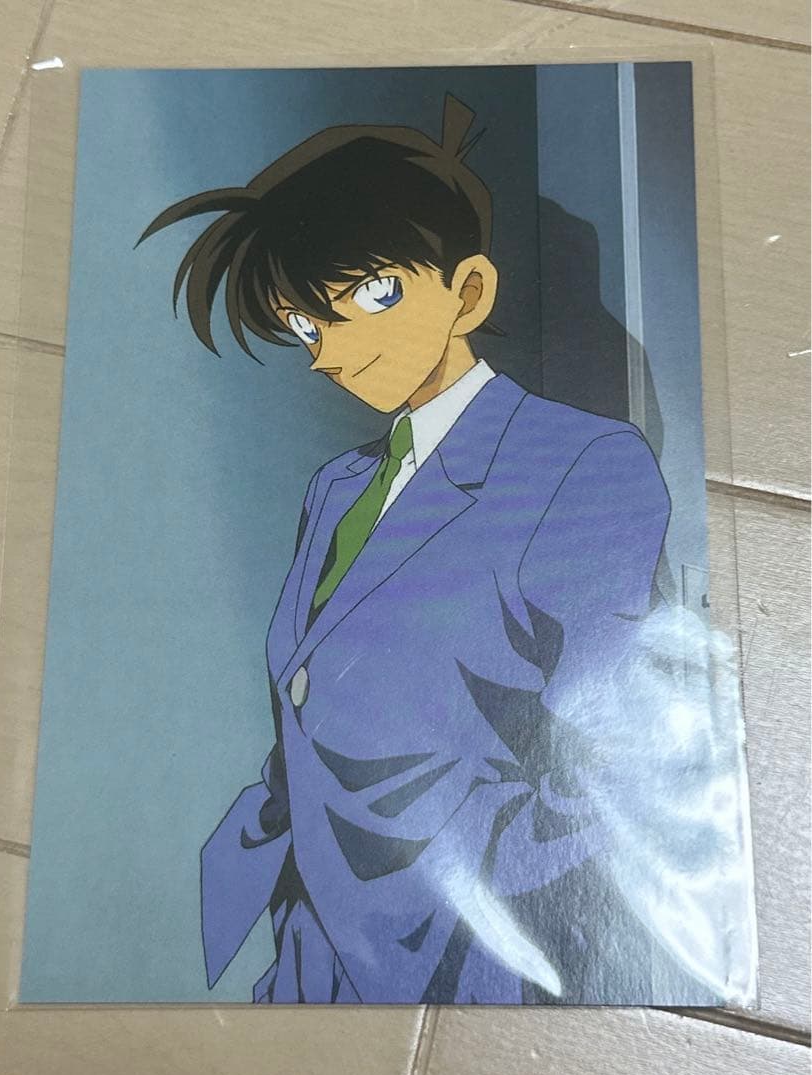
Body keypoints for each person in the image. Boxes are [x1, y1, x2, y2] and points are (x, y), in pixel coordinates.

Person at [139, 95, 681, 1004]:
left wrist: (459, 874)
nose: (327, 353)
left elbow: (616, 745)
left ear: (469, 292)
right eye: (304, 326)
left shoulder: (578, 460)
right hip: (310, 948)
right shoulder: (338, 486)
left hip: (463, 955)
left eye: (367, 297)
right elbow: (308, 700)